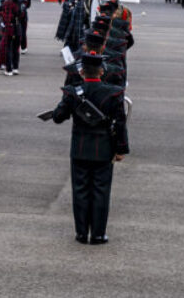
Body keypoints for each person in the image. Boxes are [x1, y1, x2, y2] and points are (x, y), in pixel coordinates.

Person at [52, 52, 129, 244]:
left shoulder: (73, 92)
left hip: (80, 147)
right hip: (103, 148)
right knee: (101, 191)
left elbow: (58, 117)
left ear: (82, 72)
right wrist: (121, 149)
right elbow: (120, 123)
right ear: (102, 71)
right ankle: (98, 234)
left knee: (80, 190)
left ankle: (81, 233)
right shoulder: (113, 93)